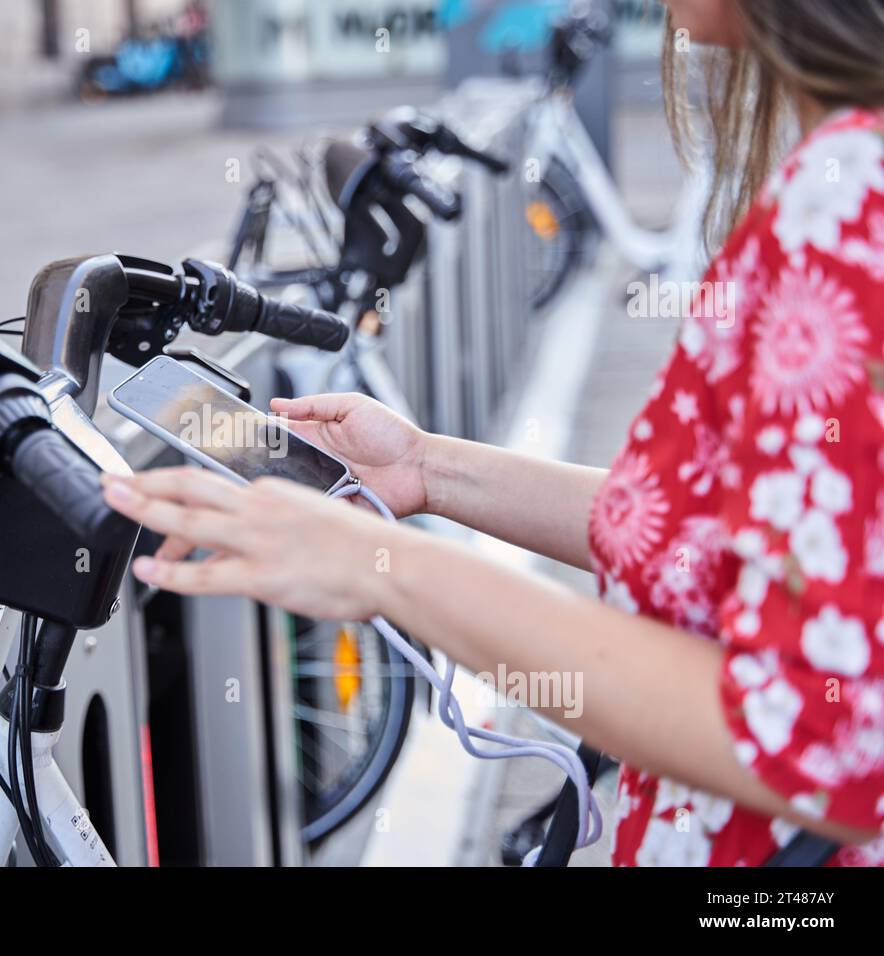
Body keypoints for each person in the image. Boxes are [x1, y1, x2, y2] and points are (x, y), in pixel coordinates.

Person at [102, 0, 884, 866]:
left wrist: (381, 569)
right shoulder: (846, 173)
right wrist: (427, 467)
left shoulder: (845, 197)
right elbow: (708, 538)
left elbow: (819, 732)